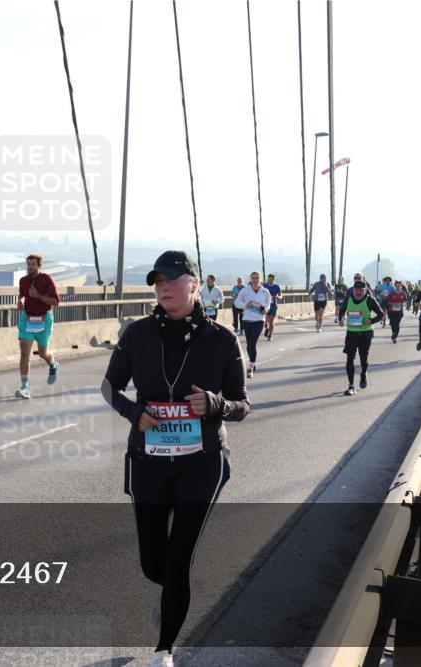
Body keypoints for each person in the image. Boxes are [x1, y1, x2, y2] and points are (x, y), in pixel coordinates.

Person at [100, 250, 249, 667]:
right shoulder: (137, 334)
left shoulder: (221, 339)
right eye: (157, 281)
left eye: (173, 279)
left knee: (180, 555)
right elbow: (110, 387)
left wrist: (217, 404)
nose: (163, 287)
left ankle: (164, 649)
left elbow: (242, 403)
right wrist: (134, 413)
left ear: (194, 284)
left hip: (201, 462)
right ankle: (171, 593)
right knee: (153, 562)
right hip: (148, 460)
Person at [15, 253, 60, 399]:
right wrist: (20, 301)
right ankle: (24, 387)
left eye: (33, 264)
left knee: (42, 353)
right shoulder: (23, 280)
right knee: (24, 353)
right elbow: (22, 294)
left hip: (44, 319)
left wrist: (38, 296)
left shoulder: (46, 279)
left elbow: (55, 301)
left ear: (39, 265)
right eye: (28, 264)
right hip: (27, 319)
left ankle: (53, 365)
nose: (30, 267)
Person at [337, 280, 384, 395]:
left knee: (363, 359)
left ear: (365, 290)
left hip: (365, 333)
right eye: (356, 289)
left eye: (361, 290)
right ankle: (351, 386)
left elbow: (381, 314)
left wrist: (371, 320)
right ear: (353, 289)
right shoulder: (348, 299)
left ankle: (363, 373)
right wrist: (341, 319)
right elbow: (341, 311)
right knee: (349, 358)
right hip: (351, 333)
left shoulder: (370, 300)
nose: (358, 292)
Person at [234, 271, 271, 377]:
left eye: (257, 278)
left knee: (252, 344)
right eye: (253, 278)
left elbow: (268, 304)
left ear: (260, 279)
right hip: (247, 320)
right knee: (248, 346)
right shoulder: (245, 290)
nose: (255, 280)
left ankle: (250, 368)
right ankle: (253, 363)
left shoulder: (265, 291)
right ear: (250, 279)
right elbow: (237, 303)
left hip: (259, 320)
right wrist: (246, 305)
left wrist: (266, 310)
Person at [263, 273, 282, 341]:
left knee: (271, 321)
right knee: (266, 321)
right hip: (266, 304)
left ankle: (270, 335)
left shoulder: (276, 286)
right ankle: (267, 328)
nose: (270, 280)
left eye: (271, 279)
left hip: (274, 305)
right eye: (269, 278)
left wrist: (278, 297)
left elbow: (280, 295)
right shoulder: (264, 285)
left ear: (273, 279)